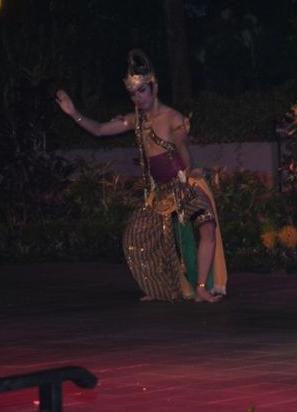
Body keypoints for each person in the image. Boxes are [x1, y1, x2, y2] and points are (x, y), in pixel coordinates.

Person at [56, 49, 227, 303]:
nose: (137, 98)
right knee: (138, 236)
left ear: (154, 87)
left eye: (141, 91)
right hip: (161, 192)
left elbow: (182, 146)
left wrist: (190, 169)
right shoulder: (134, 120)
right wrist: (73, 113)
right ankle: (166, 288)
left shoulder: (173, 118)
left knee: (207, 226)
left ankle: (202, 287)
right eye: (132, 94)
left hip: (184, 181)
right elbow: (101, 130)